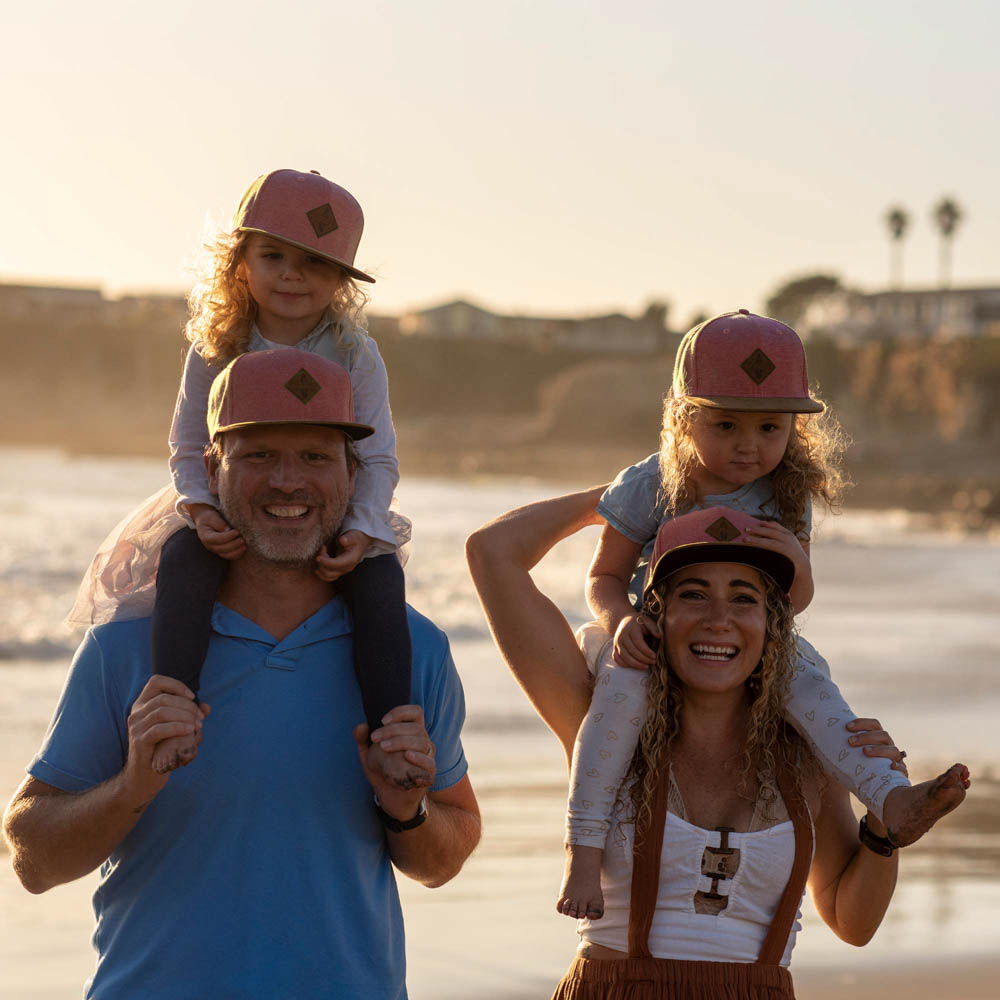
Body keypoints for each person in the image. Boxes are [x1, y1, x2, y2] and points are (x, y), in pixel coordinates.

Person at [4, 350, 481, 1000]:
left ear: (354, 473)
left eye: (315, 456)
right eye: (258, 455)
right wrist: (131, 787)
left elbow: (445, 858)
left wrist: (406, 812)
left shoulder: (411, 650)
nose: (288, 481)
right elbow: (31, 859)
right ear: (210, 468)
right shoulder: (125, 648)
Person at [466, 490, 968, 999]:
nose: (718, 619)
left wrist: (881, 823)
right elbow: (493, 552)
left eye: (745, 598)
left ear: (772, 625)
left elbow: (851, 922)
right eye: (693, 593)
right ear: (655, 615)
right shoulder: (601, 721)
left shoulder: (805, 748)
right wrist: (640, 490)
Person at [553, 310, 954, 920]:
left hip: (759, 635)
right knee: (616, 702)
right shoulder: (651, 483)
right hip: (657, 634)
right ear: (686, 419)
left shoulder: (787, 494)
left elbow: (792, 600)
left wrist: (796, 556)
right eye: (726, 424)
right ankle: (583, 852)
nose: (750, 444)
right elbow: (603, 576)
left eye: (770, 426)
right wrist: (620, 623)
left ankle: (889, 798)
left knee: (821, 696)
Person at [67, 167, 419, 786]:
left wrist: (363, 531)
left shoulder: (355, 352)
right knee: (183, 565)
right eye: (273, 255)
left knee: (380, 584)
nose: (291, 274)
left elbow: (380, 456)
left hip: (332, 506)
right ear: (239, 263)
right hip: (224, 500)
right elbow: (185, 443)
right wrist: (202, 513)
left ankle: (394, 733)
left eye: (314, 263)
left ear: (341, 280)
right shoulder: (215, 344)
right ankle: (173, 708)